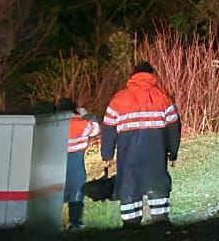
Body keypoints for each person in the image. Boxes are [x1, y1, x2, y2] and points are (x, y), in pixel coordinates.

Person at [102, 61, 181, 227]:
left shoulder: (119, 99)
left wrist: (107, 154)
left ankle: (131, 222)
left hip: (128, 155)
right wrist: (173, 152)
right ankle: (160, 221)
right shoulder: (162, 97)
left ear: (133, 76)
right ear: (152, 75)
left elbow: (108, 127)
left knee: (129, 184)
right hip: (156, 153)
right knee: (157, 182)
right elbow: (174, 126)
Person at [60, 98, 100, 230]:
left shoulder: (57, 125)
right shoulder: (82, 124)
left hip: (57, 165)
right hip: (77, 165)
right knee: (76, 193)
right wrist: (87, 115)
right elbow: (95, 130)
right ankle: (75, 223)